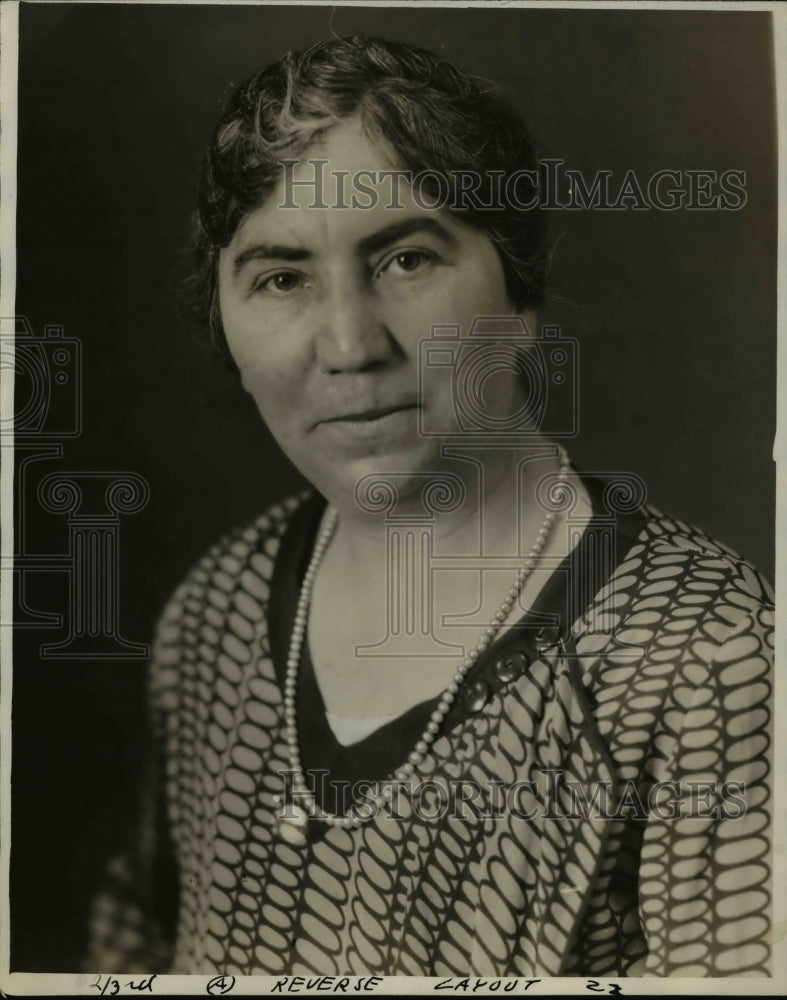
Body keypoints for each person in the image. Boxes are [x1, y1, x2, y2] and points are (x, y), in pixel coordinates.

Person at [85, 36, 774, 978]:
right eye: (280, 278)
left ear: (518, 291)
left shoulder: (712, 660)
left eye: (406, 259)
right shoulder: (216, 614)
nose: (348, 343)